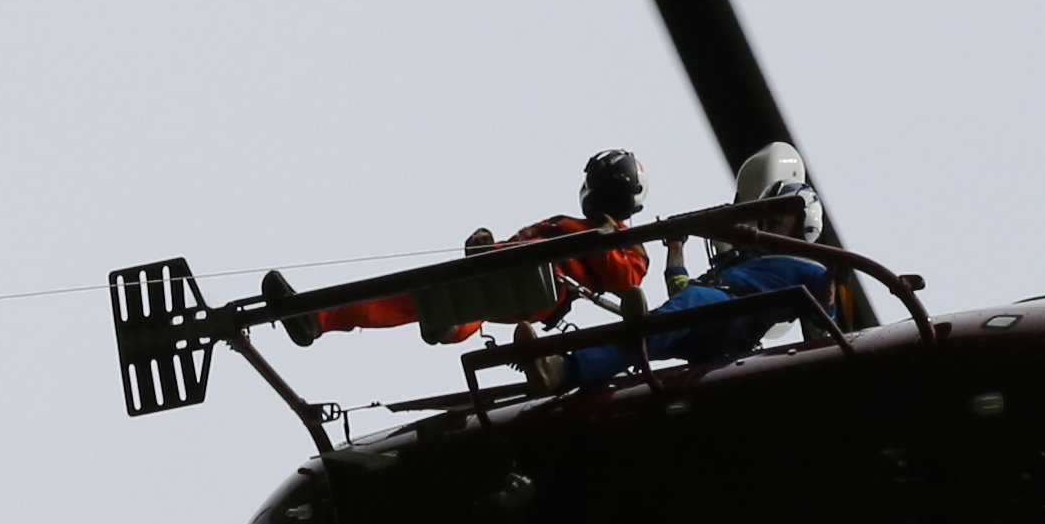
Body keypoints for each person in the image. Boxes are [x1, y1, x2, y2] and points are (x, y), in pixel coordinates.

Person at [267, 148, 660, 349]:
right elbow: (516, 249)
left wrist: (604, 238)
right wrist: (485, 247)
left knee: (460, 300)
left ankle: (320, 319)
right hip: (511, 277)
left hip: (542, 289)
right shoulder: (562, 225)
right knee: (417, 294)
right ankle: (317, 318)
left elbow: (625, 283)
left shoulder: (624, 243)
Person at [556, 145, 837, 384]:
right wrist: (676, 247)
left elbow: (820, 334)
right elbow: (682, 292)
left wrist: (828, 297)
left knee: (651, 330)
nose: (770, 223)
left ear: (804, 225)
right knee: (642, 342)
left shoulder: (811, 270)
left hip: (734, 317)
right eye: (769, 215)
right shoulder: (734, 263)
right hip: (711, 319)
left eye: (780, 217)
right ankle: (561, 370)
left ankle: (575, 364)